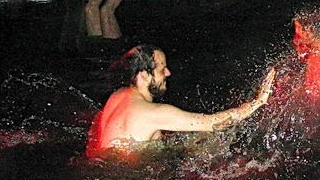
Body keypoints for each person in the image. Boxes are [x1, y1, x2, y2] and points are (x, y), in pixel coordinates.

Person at [86, 45, 276, 156]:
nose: (168, 73)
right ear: (144, 75)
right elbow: (213, 123)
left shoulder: (117, 96)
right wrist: (258, 102)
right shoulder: (153, 113)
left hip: (107, 166)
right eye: (162, 69)